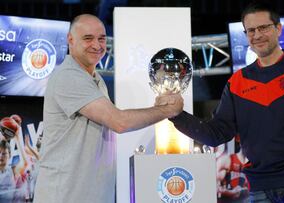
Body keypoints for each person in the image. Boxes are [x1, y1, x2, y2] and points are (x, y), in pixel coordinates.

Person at [161, 1, 284, 203]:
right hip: (258, 190)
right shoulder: (237, 82)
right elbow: (216, 134)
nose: (257, 35)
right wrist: (177, 116)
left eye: (263, 28)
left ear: (278, 29)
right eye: (250, 30)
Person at [33, 14, 183, 203]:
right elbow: (119, 122)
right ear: (70, 40)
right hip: (65, 196)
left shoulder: (96, 80)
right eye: (88, 38)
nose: (97, 45)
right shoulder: (69, 76)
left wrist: (157, 109)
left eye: (102, 38)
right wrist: (167, 110)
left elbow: (114, 120)